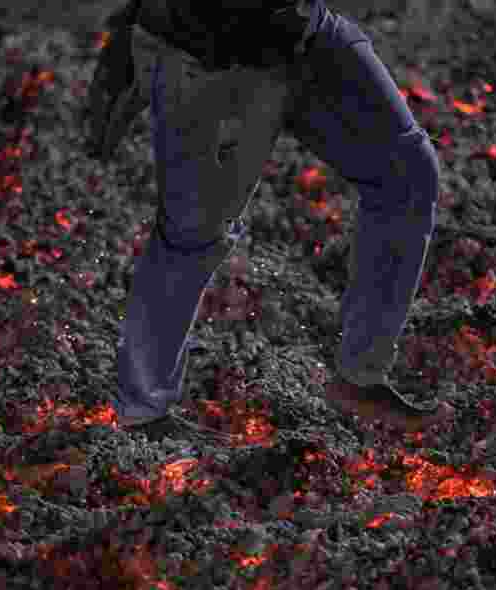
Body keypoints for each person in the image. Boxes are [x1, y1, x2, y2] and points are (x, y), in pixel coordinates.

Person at [105, 0, 443, 440]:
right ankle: (142, 411)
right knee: (193, 232)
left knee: (407, 172)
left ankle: (361, 376)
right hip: (211, 51)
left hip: (305, 28)